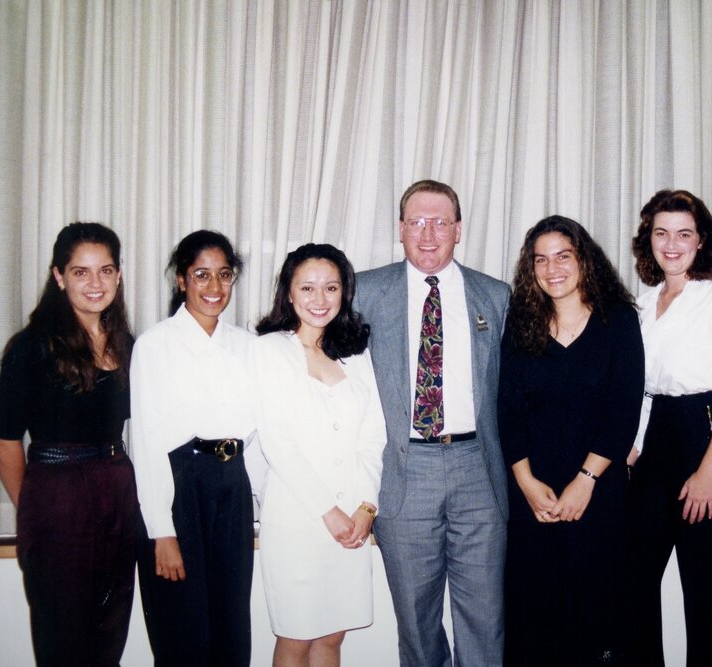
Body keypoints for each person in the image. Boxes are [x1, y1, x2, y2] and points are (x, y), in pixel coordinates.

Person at [353, 179, 510, 666]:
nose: (428, 234)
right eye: (417, 222)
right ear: (400, 229)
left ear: (458, 230)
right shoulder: (364, 291)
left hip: (477, 469)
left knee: (485, 616)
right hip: (404, 469)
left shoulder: (496, 295)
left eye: (440, 222)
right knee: (416, 621)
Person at [626, 189, 712, 666]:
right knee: (635, 578)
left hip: (710, 439)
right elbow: (645, 390)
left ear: (702, 241)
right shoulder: (644, 305)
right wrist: (635, 448)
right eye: (661, 232)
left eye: (683, 233)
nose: (671, 243)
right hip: (659, 439)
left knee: (704, 587)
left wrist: (707, 472)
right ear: (649, 239)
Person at [0, 222, 138, 665]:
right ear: (59, 277)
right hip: (58, 498)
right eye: (80, 272)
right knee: (64, 642)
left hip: (117, 489)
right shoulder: (31, 348)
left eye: (105, 270)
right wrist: (35, 507)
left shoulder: (128, 345)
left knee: (108, 635)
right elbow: (3, 441)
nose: (95, 283)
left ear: (119, 275)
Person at [498, 216, 644, 665]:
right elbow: (507, 409)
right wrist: (524, 481)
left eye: (563, 255)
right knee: (533, 614)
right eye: (540, 259)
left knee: (595, 612)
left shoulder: (618, 321)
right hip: (534, 494)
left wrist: (586, 480)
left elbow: (624, 410)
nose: (552, 268)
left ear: (584, 259)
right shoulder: (521, 323)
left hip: (598, 490)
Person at [249, 243, 386, 666]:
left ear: (344, 293)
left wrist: (366, 506)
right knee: (296, 637)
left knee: (331, 637)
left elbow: (373, 436)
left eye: (330, 287)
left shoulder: (356, 354)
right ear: (288, 293)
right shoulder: (270, 350)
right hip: (298, 519)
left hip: (352, 516)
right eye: (307, 288)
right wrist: (329, 512)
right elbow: (278, 442)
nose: (319, 299)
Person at [130, 230, 256, 666]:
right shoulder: (155, 345)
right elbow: (145, 442)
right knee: (182, 629)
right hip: (179, 487)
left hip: (232, 487)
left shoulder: (246, 345)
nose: (214, 287)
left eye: (224, 275)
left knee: (231, 625)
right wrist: (161, 530)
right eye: (202, 275)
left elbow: (256, 434)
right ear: (181, 280)